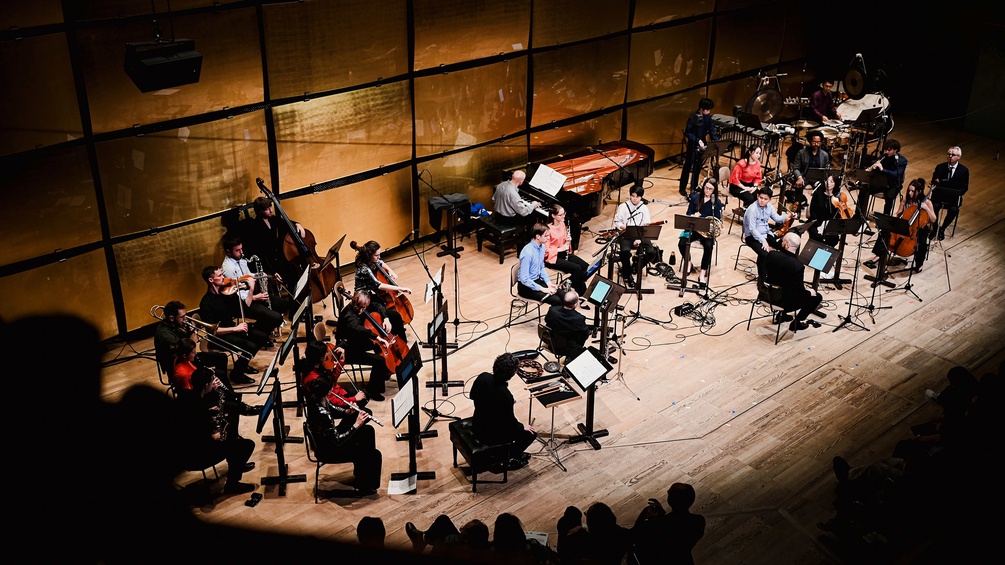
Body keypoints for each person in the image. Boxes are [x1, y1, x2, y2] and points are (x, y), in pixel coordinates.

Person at [176, 367, 256, 495]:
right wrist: (214, 436)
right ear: (207, 385)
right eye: (212, 381)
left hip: (181, 451)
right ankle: (232, 484)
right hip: (198, 455)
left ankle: (236, 464)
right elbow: (201, 435)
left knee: (232, 437)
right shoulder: (200, 409)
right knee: (245, 445)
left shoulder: (185, 396)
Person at [198, 266, 282, 384]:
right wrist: (235, 329)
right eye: (220, 276)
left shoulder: (226, 294)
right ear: (211, 280)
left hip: (233, 329)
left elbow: (245, 307)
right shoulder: (206, 303)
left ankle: (242, 364)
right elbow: (213, 331)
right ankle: (237, 374)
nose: (224, 277)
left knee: (262, 337)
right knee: (250, 346)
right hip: (220, 336)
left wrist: (251, 289)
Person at [304, 371, 382, 496]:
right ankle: (366, 485)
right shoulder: (322, 414)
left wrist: (348, 412)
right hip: (329, 449)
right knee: (374, 454)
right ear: (328, 391)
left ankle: (362, 473)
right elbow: (337, 441)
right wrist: (356, 425)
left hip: (329, 439)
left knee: (368, 431)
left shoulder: (319, 399)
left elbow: (335, 410)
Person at [470, 353, 537, 470]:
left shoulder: (483, 377)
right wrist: (522, 427)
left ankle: (512, 453)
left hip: (478, 423)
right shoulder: (505, 396)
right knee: (531, 434)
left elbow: (472, 395)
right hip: (492, 434)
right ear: (511, 374)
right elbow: (509, 423)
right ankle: (508, 456)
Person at [336, 290, 398, 401]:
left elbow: (378, 306)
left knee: (378, 348)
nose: (361, 311)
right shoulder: (349, 315)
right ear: (354, 303)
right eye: (359, 308)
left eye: (364, 308)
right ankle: (372, 390)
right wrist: (377, 337)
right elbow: (360, 329)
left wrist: (386, 318)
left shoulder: (363, 305)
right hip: (347, 349)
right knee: (379, 360)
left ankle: (381, 377)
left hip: (357, 340)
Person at [153, 300, 234, 384]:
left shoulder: (174, 325)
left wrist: (190, 332)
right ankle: (213, 389)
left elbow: (184, 342)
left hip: (188, 358)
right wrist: (191, 340)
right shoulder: (164, 334)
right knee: (219, 374)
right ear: (171, 318)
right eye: (182, 317)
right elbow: (180, 352)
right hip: (179, 365)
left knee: (222, 357)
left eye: (185, 315)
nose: (185, 319)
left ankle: (221, 388)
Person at [864, 178, 935, 273]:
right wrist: (890, 220)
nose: (910, 193)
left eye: (912, 191)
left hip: (919, 228)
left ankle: (919, 264)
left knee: (922, 242)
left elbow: (934, 219)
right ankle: (878, 255)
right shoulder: (906, 200)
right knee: (885, 231)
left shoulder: (927, 202)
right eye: (909, 190)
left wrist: (927, 208)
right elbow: (898, 213)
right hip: (905, 224)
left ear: (919, 191)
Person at [761, 232, 823, 333]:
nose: (781, 241)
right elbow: (799, 292)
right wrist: (809, 292)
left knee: (783, 286)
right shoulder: (798, 266)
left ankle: (782, 315)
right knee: (817, 297)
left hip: (766, 295)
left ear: (787, 245)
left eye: (783, 240)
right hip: (784, 303)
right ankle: (796, 323)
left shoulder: (772, 255)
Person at [632, 482, 707, 565]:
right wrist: (662, 515)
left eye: (669, 492)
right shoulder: (698, 521)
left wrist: (651, 520)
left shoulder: (657, 524)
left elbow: (636, 535)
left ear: (670, 499)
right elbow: (674, 527)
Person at [350, 239, 410, 337]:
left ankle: (393, 329)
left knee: (388, 310)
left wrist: (390, 271)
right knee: (395, 315)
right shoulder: (364, 269)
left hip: (370, 294)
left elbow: (381, 262)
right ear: (369, 255)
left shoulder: (371, 260)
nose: (379, 257)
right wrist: (400, 288)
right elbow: (379, 285)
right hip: (363, 300)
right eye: (376, 255)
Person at [221, 234, 290, 317]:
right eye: (237, 250)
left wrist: (259, 275)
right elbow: (237, 293)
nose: (241, 252)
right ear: (228, 251)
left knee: (283, 303)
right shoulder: (228, 268)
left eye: (241, 249)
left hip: (252, 294)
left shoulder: (241, 258)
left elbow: (247, 274)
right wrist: (256, 297)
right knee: (274, 316)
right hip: (244, 303)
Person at [239, 196, 305, 281]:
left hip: (278, 257)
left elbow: (285, 223)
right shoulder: (255, 227)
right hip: (268, 261)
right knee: (289, 273)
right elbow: (261, 253)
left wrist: (297, 224)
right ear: (260, 211)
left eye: (270, 207)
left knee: (293, 270)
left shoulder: (273, 219)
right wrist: (272, 271)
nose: (271, 210)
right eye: (267, 209)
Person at [677, 177, 723, 288]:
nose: (707, 191)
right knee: (682, 243)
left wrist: (720, 226)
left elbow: (718, 220)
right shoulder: (695, 198)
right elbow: (688, 214)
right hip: (694, 228)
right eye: (706, 188)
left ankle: (703, 273)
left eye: (710, 189)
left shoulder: (716, 203)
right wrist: (693, 216)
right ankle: (689, 263)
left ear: (714, 191)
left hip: (706, 232)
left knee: (708, 247)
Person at [543, 204, 590, 304]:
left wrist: (568, 240)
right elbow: (546, 250)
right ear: (553, 216)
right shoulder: (547, 230)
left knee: (585, 266)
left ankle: (567, 282)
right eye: (560, 215)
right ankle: (582, 295)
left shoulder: (562, 224)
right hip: (552, 257)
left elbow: (564, 241)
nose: (563, 216)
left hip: (564, 253)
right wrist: (560, 249)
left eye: (564, 213)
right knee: (577, 269)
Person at [300, 340, 367, 409]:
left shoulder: (314, 366)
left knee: (364, 394)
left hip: (337, 392)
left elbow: (331, 379)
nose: (328, 354)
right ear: (320, 358)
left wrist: (341, 362)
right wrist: (354, 399)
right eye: (325, 353)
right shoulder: (315, 379)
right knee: (366, 407)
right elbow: (333, 401)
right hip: (332, 405)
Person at [613, 184, 655, 288]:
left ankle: (636, 266)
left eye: (637, 197)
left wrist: (639, 240)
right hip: (626, 234)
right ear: (630, 195)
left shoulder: (644, 208)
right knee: (625, 252)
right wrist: (624, 227)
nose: (634, 199)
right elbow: (617, 222)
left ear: (641, 197)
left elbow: (646, 225)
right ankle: (627, 275)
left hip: (640, 235)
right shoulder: (623, 207)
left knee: (651, 252)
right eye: (633, 196)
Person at [517, 223, 563, 307]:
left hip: (537, 281)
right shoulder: (527, 253)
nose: (548, 238)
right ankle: (552, 319)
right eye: (546, 236)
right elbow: (524, 279)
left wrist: (548, 282)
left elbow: (541, 267)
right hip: (526, 287)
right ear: (538, 236)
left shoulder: (542, 247)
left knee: (563, 295)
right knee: (556, 300)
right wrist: (543, 289)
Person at [679, 97, 718, 196]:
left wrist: (716, 141)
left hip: (702, 142)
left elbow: (711, 129)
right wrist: (697, 140)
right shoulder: (692, 117)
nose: (709, 112)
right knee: (688, 166)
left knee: (698, 166)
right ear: (701, 109)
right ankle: (682, 187)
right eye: (707, 110)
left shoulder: (708, 117)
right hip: (693, 143)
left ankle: (694, 186)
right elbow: (688, 133)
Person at [930, 145, 969, 241]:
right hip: (939, 196)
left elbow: (964, 187)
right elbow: (934, 181)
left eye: (953, 155)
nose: (950, 156)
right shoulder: (940, 167)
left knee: (954, 210)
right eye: (949, 154)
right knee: (933, 207)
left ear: (959, 157)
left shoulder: (963, 171)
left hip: (953, 198)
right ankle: (935, 228)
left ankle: (942, 229)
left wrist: (956, 192)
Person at [742, 187, 790, 260]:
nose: (762, 201)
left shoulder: (769, 206)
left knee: (784, 246)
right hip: (752, 237)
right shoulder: (752, 210)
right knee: (765, 254)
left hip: (766, 233)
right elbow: (752, 229)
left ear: (770, 199)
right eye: (761, 198)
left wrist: (788, 216)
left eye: (765, 199)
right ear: (757, 196)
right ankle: (763, 271)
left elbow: (777, 218)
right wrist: (763, 240)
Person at [868, 139, 908, 216]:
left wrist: (883, 169)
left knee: (889, 196)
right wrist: (872, 168)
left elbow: (897, 174)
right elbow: (876, 171)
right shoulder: (883, 157)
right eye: (886, 150)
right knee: (864, 189)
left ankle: (885, 218)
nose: (886, 152)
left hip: (893, 185)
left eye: (889, 150)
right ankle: (859, 214)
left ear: (895, 150)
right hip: (881, 184)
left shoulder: (902, 161)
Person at [545, 290, 591, 358]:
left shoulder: (552, 310)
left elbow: (546, 321)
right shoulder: (579, 318)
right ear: (575, 305)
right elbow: (585, 335)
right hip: (568, 349)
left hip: (551, 343)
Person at [808, 174, 840, 246]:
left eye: (831, 181)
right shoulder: (818, 193)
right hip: (816, 222)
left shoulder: (837, 197)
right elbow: (812, 210)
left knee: (834, 238)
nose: (828, 183)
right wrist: (818, 224)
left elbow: (836, 215)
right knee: (818, 236)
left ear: (836, 184)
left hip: (829, 224)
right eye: (827, 181)